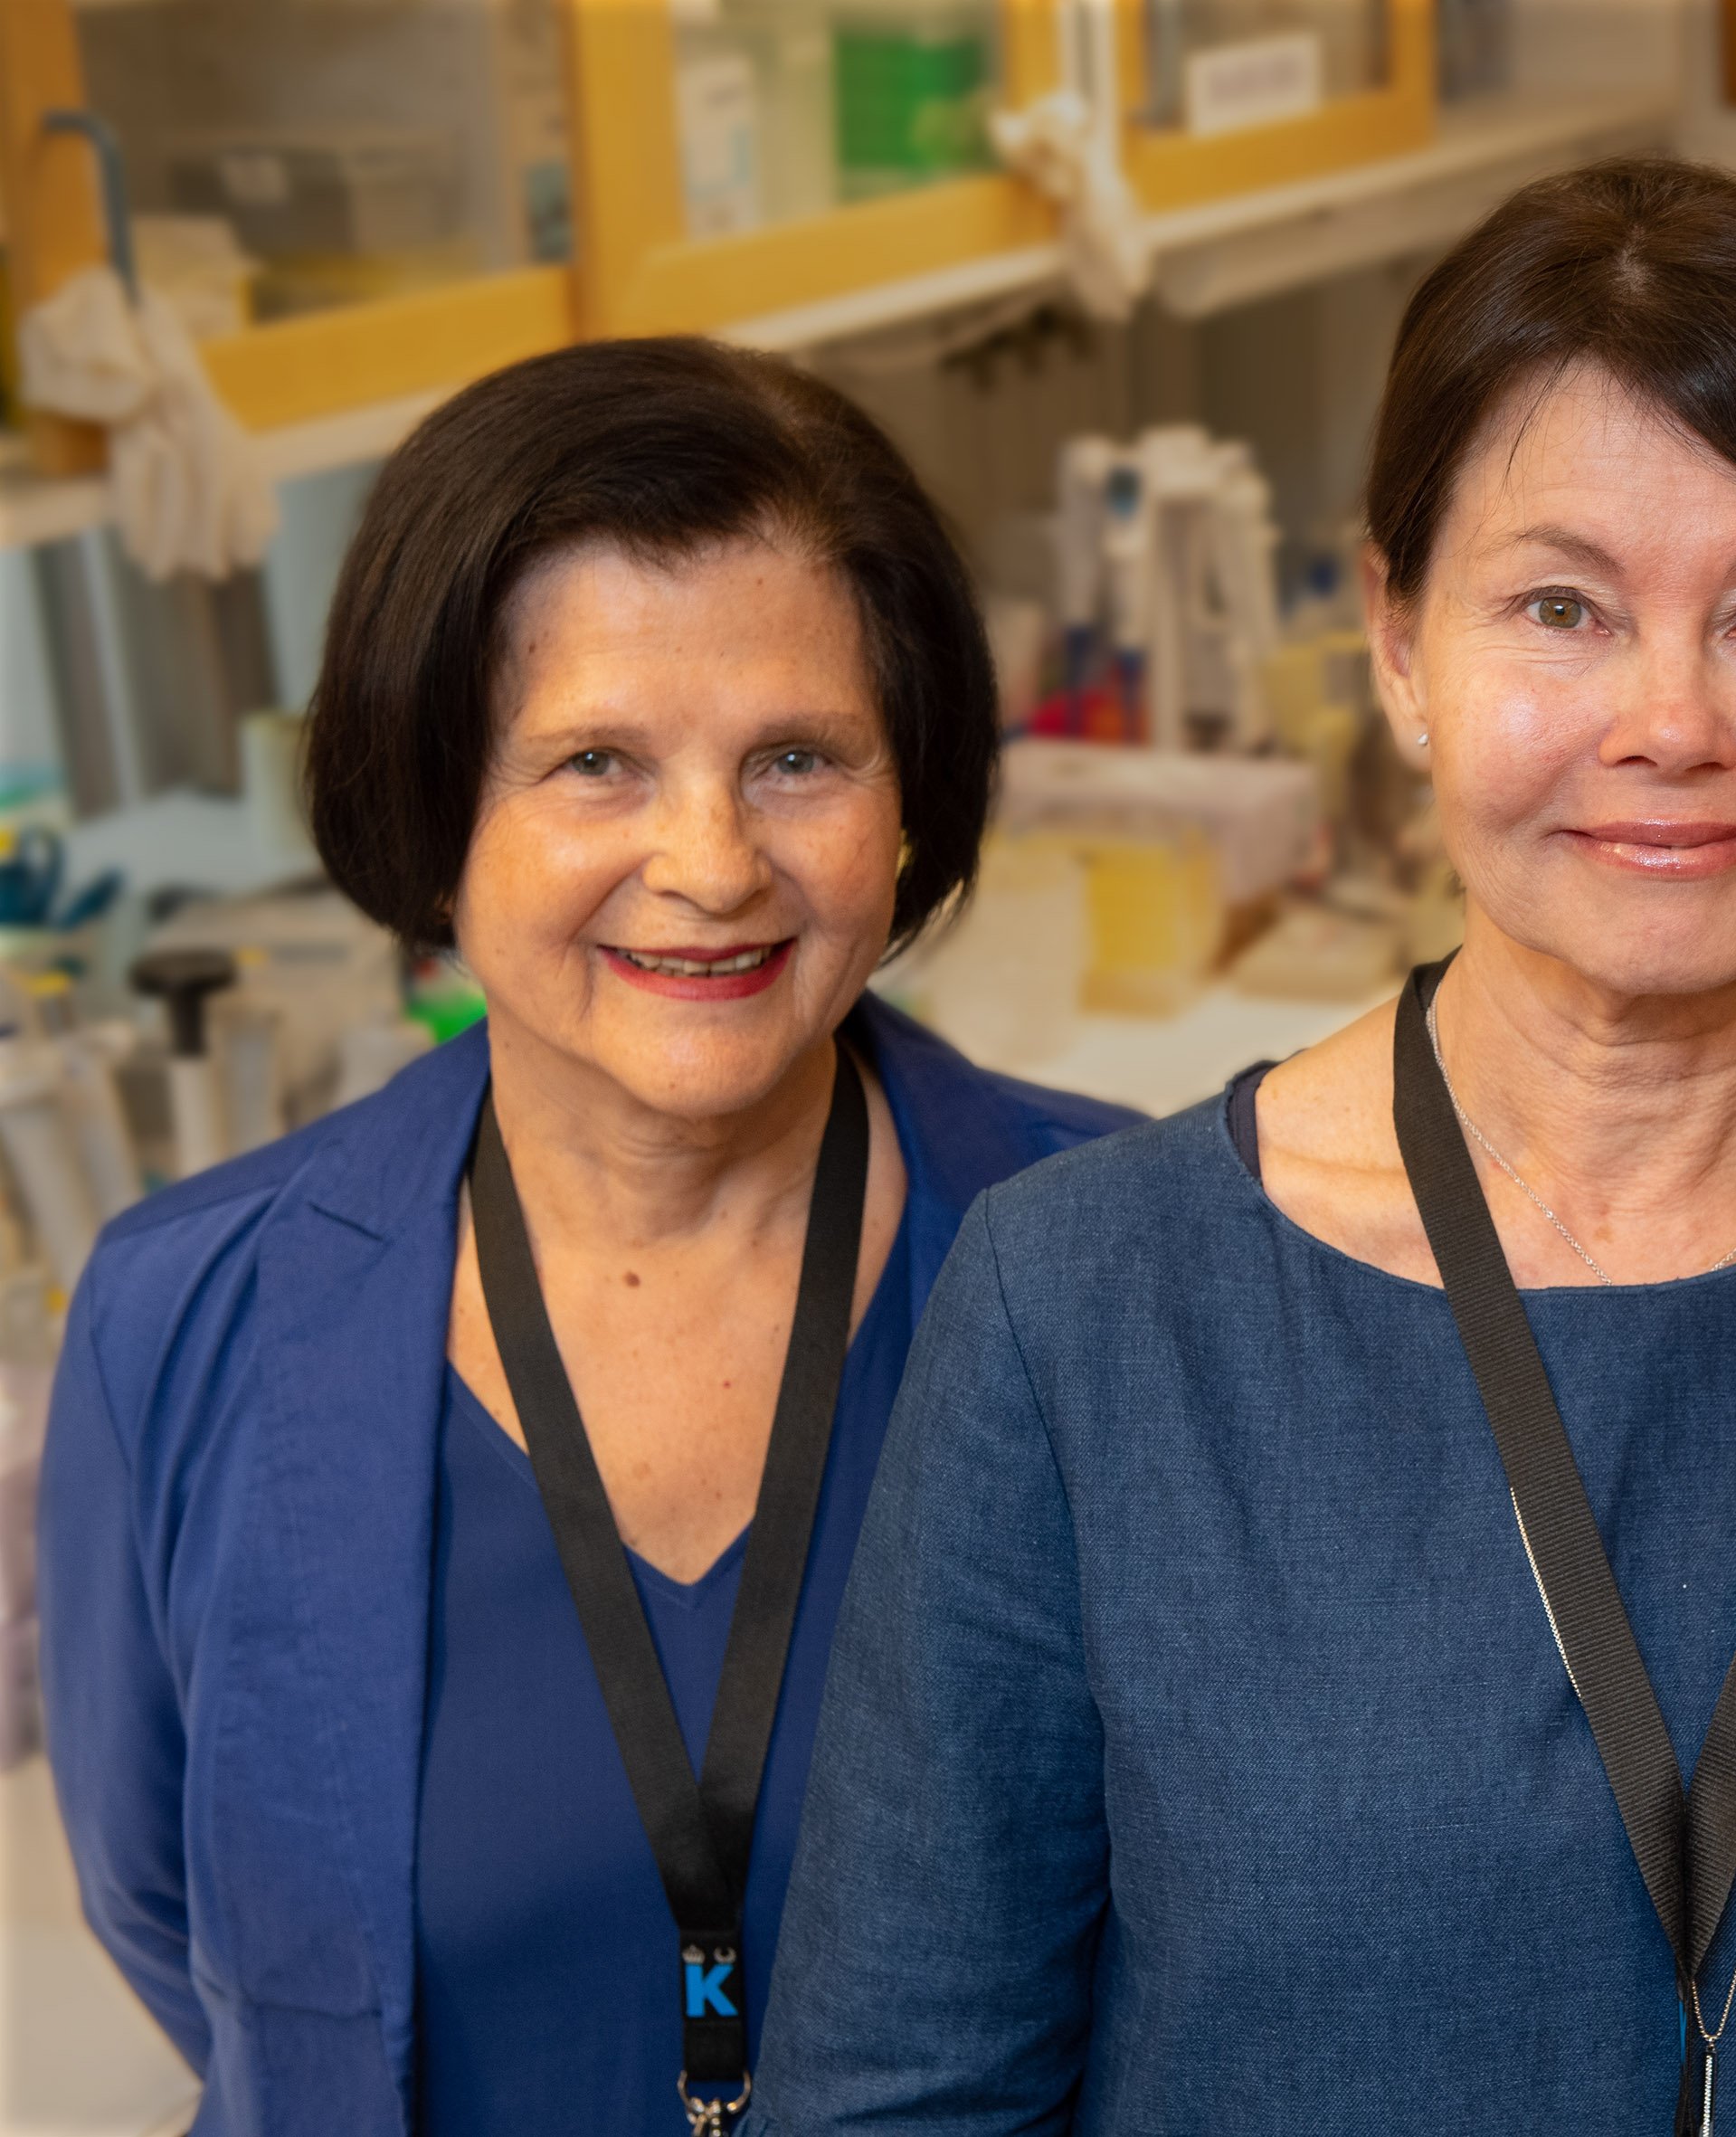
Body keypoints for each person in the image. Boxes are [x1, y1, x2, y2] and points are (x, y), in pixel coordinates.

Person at [748, 157, 1736, 2136]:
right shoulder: (1081, 1316)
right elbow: (895, 2100)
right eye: (1560, 604)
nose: (1668, 720)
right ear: (1397, 642)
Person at [37, 338, 1134, 2137]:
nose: (709, 863)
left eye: (795, 755)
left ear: (910, 796)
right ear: (433, 812)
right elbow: (185, 1922)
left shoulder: (1140, 1267)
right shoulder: (190, 1315)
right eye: (594, 762)